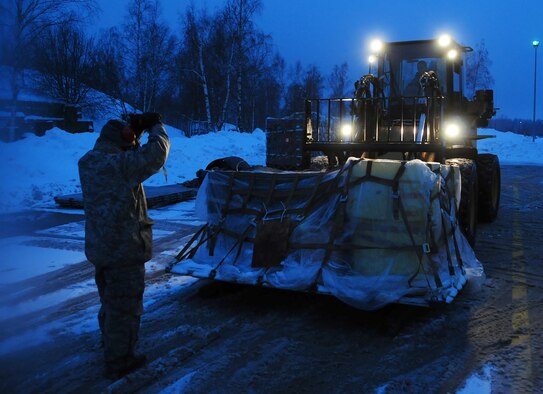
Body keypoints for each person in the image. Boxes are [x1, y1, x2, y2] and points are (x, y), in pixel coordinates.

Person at [78, 113, 170, 379]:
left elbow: (127, 158)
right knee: (126, 308)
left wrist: (133, 135)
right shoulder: (119, 165)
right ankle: (120, 359)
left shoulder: (90, 162)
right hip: (124, 250)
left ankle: (111, 344)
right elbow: (157, 154)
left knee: (110, 301)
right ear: (122, 140)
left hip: (101, 249)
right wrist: (155, 126)